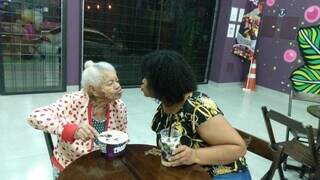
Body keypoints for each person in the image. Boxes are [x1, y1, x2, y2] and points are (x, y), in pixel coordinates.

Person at [140, 50, 251, 180]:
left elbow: (238, 148)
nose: (142, 81)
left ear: (162, 81)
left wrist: (194, 155)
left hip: (224, 173)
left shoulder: (197, 107)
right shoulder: (166, 104)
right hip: (189, 171)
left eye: (147, 76)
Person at [27, 60, 127, 178]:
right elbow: (35, 116)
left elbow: (122, 136)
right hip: (71, 164)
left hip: (104, 165)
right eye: (110, 83)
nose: (117, 86)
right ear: (93, 89)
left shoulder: (119, 106)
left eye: (117, 81)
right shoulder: (73, 101)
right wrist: (72, 130)